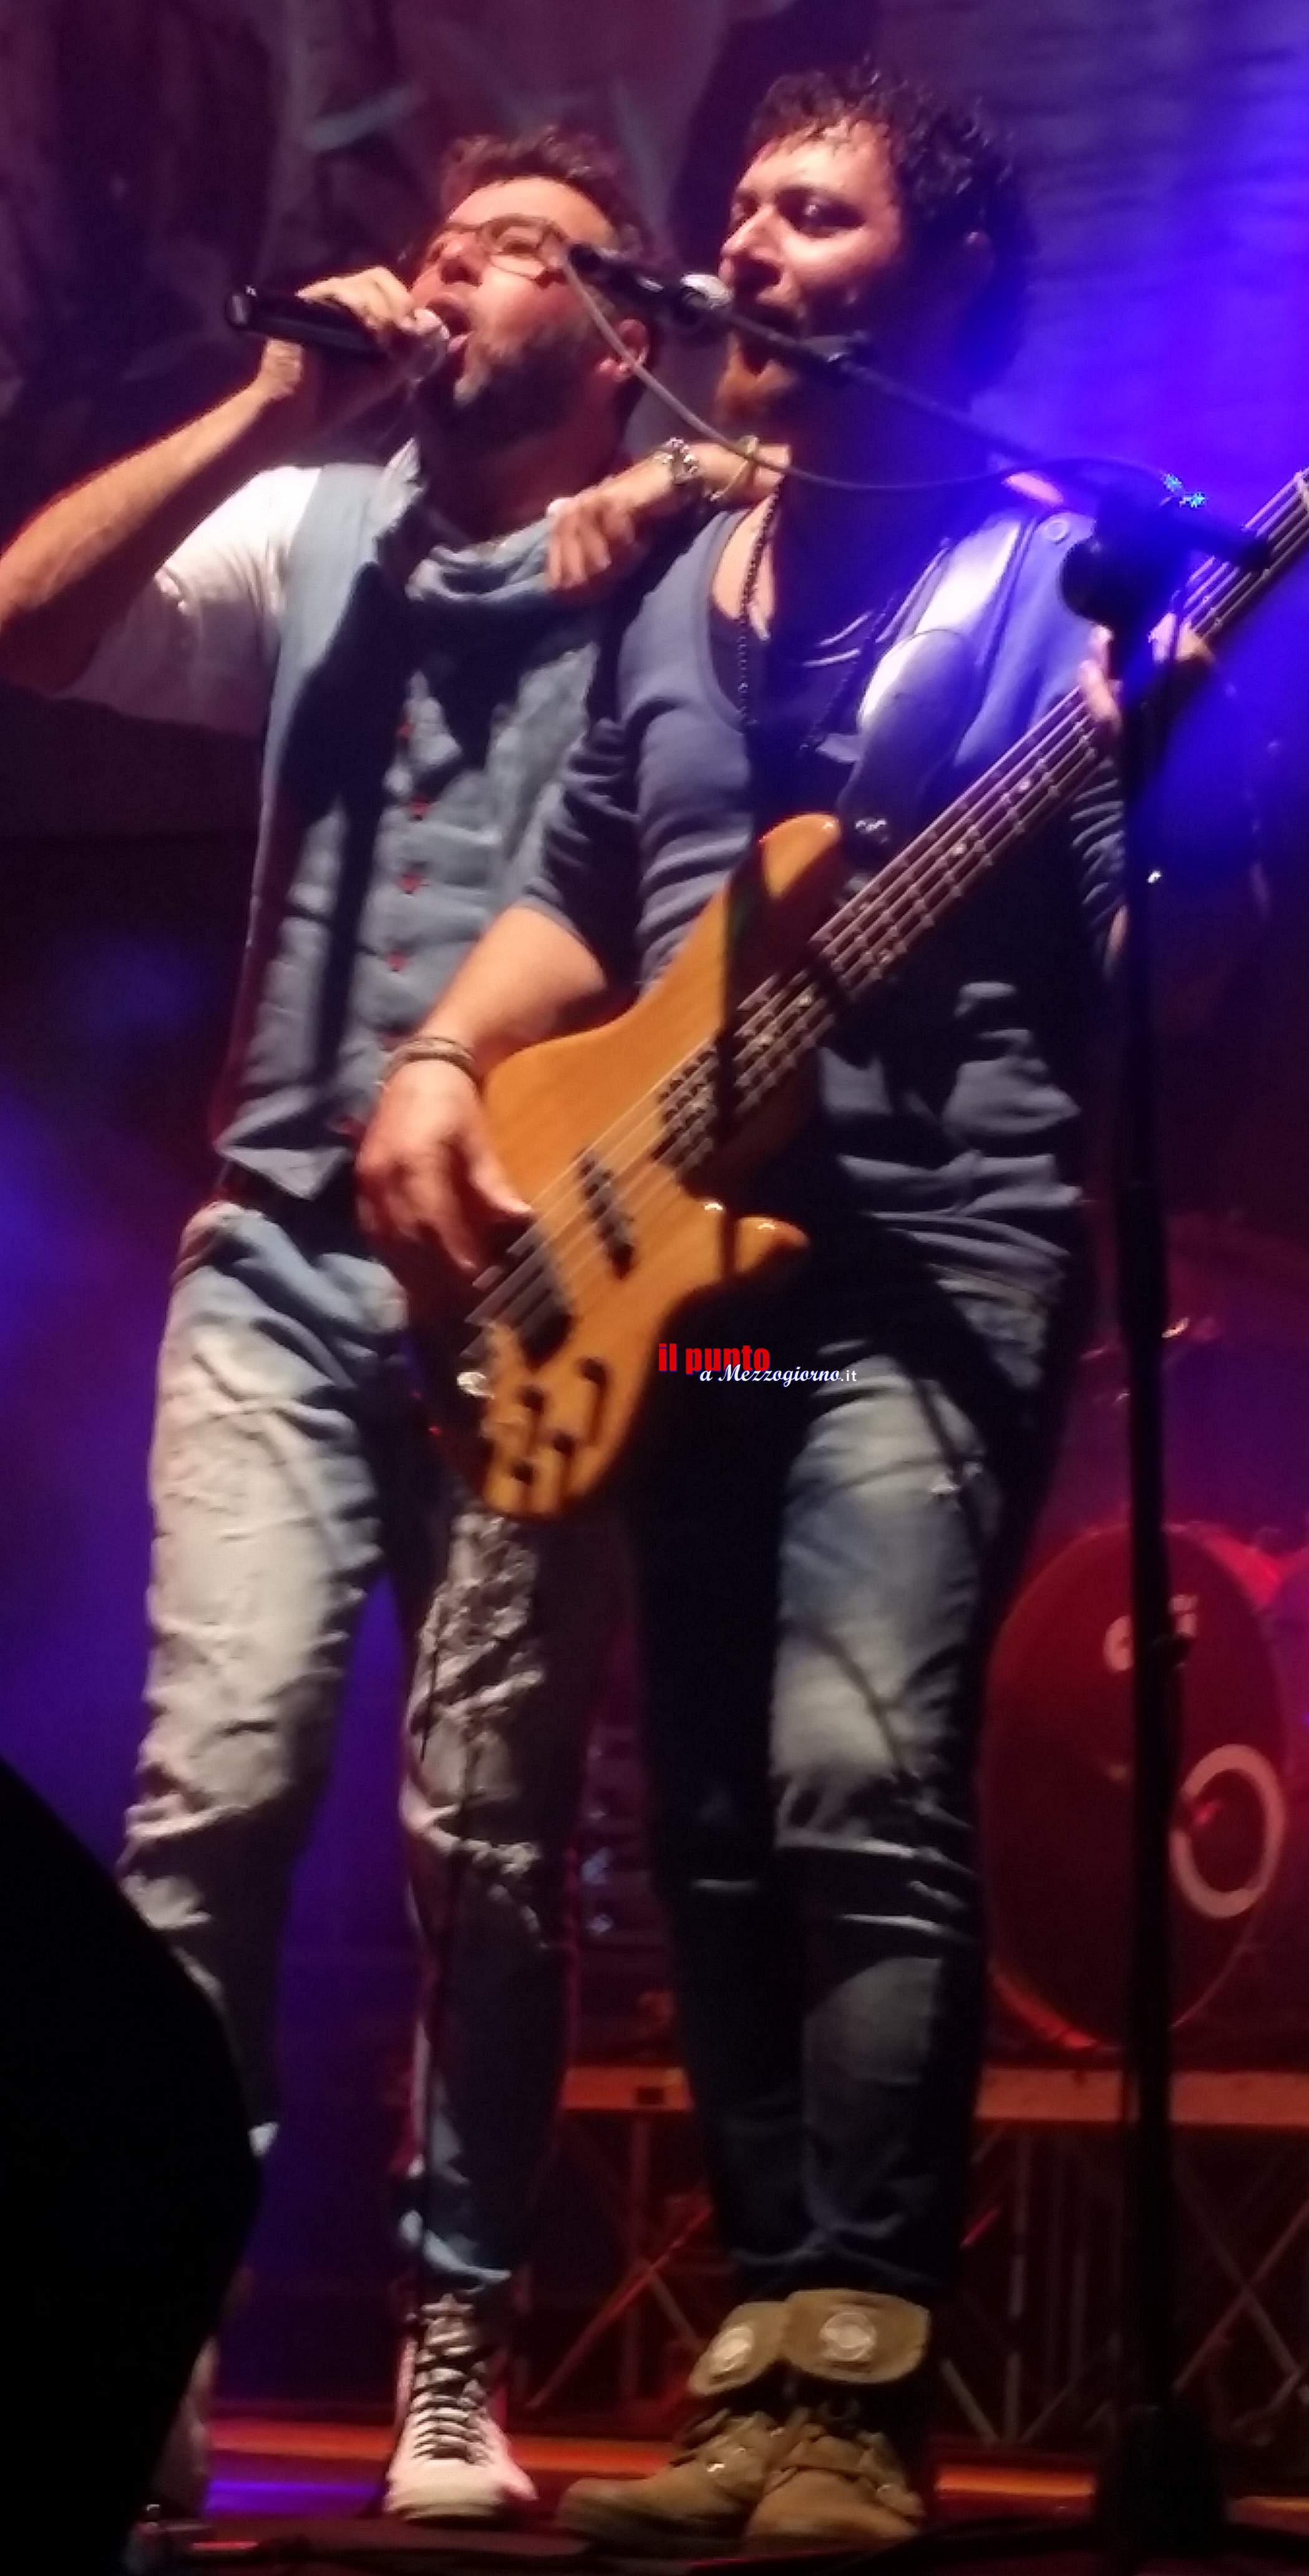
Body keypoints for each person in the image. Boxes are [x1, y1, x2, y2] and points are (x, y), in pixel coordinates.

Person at [359, 59, 1128, 2552]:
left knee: (843, 1776)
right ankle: (759, 2354)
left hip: (933, 1259)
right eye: (747, 210)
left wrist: (1154, 812)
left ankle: (862, 2382)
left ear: (943, 276)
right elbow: (583, 890)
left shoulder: (1042, 586)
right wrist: (442, 1065)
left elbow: (1171, 977)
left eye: (818, 213)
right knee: (698, 1816)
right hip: (697, 1285)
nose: (753, 248)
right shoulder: (684, 586)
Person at [0, 123, 763, 2524]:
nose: (453, 277)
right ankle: (150, 2346)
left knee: (489, 1844)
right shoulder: (316, 526)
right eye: (441, 245)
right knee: (211, 1795)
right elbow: (28, 621)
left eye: (518, 251)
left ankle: (455, 2351)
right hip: (275, 1258)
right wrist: (267, 403)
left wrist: (688, 482)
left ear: (617, 328)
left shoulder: (697, 547)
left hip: (549, 1268)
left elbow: (820, 509)